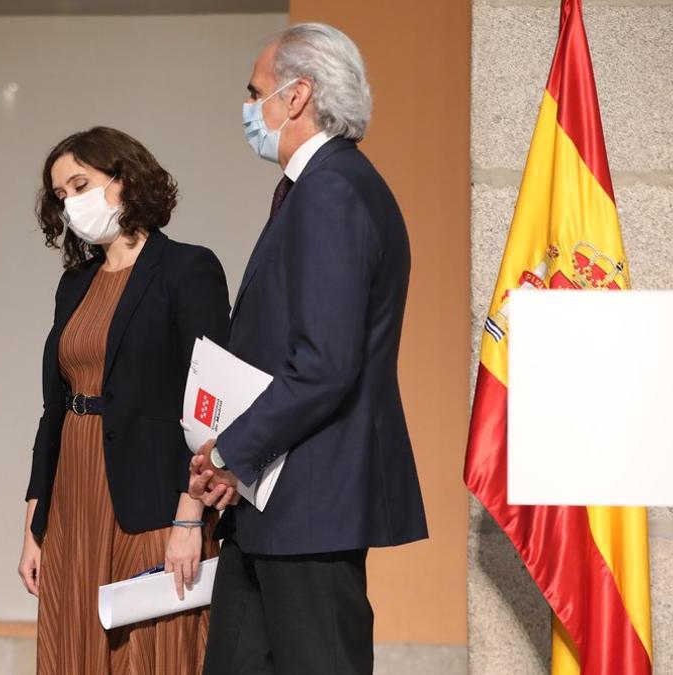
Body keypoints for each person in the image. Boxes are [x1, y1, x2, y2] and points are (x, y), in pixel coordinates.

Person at [188, 24, 428, 675]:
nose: (247, 108)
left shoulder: (331, 189)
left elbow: (324, 364)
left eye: (254, 91)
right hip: (270, 503)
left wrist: (231, 448)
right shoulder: (317, 187)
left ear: (297, 96)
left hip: (310, 502)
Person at [18, 126, 230, 674]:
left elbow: (212, 403)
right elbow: (53, 411)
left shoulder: (188, 268)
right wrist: (35, 527)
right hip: (74, 498)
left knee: (154, 655)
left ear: (125, 179)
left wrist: (191, 516)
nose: (71, 203)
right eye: (61, 196)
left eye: (81, 184)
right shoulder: (75, 284)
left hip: (154, 500)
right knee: (74, 651)